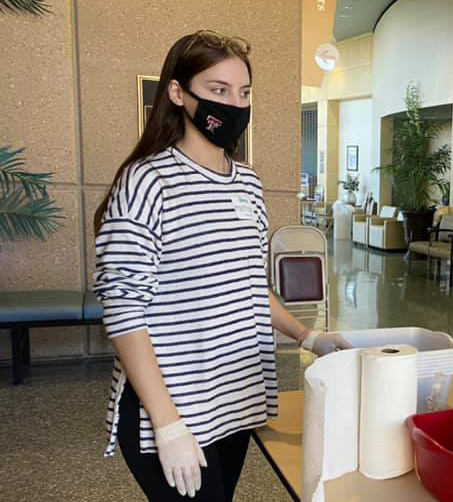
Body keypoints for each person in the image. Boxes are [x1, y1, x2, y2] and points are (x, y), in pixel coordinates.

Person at [93, 30, 350, 501]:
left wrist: (307, 336)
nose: (235, 104)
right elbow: (123, 310)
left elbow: (249, 283)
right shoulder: (148, 180)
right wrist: (168, 425)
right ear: (178, 93)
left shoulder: (248, 184)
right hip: (170, 411)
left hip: (232, 402)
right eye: (218, 91)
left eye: (244, 92)